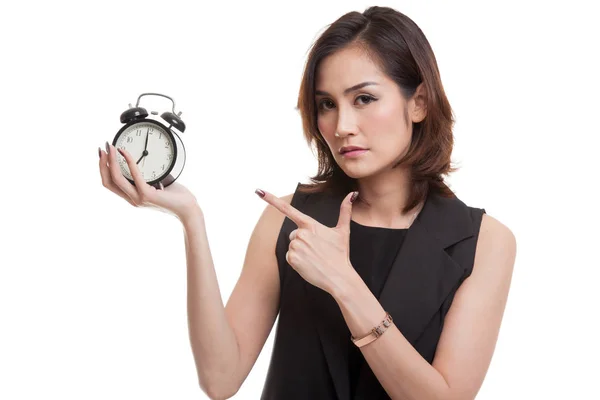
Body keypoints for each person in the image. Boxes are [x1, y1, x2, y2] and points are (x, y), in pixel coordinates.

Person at [98, 5, 516, 400]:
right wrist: (191, 219)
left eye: (364, 99)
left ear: (419, 102)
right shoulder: (287, 219)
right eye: (326, 105)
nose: (342, 126)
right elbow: (220, 378)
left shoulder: (483, 242)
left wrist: (344, 282)